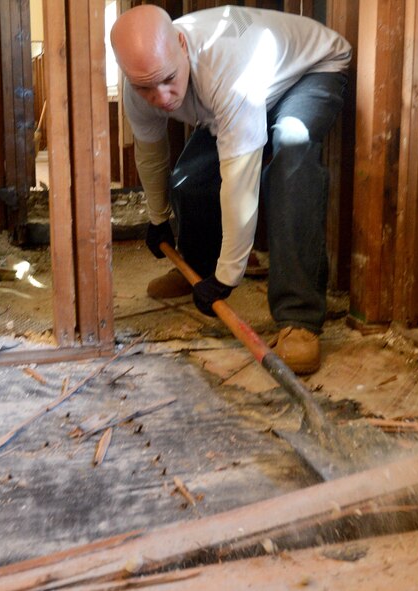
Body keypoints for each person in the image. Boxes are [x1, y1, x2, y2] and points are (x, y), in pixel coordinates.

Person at [111, 5, 351, 374]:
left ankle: (300, 318)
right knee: (189, 179)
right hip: (252, 87)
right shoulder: (140, 83)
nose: (161, 98)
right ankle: (195, 265)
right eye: (146, 87)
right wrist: (158, 217)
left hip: (309, 70)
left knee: (292, 159)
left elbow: (239, 179)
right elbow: (151, 152)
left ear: (181, 44)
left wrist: (228, 277)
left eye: (168, 79)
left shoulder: (224, 65)